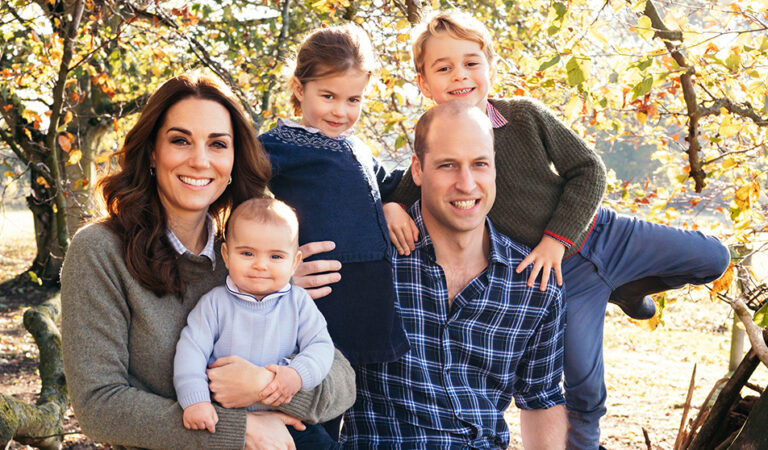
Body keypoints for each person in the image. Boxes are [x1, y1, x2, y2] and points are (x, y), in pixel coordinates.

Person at [383, 12, 731, 449]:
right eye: (444, 67)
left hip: (601, 234)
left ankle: (628, 288)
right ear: (423, 83)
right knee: (584, 387)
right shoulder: (435, 141)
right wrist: (391, 207)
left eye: (471, 63)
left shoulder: (524, 116)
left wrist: (556, 239)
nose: (460, 76)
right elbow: (408, 191)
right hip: (561, 278)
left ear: (491, 67)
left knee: (714, 259)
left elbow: (589, 169)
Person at [60, 72, 355, 450]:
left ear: (233, 160)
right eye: (180, 140)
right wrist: (241, 430)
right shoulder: (101, 252)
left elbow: (342, 383)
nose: (200, 161)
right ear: (152, 152)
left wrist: (265, 386)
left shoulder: (252, 255)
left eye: (217, 144)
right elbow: (99, 405)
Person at [343, 101, 568, 448]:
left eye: (479, 164)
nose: (466, 184)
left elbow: (541, 399)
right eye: (447, 165)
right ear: (418, 170)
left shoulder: (533, 284)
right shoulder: (369, 262)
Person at [258, 25, 410, 438]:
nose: (341, 111)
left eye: (353, 100)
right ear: (299, 87)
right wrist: (275, 262)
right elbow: (237, 194)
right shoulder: (280, 145)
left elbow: (389, 184)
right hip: (322, 305)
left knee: (351, 413)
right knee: (308, 414)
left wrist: (393, 204)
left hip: (367, 305)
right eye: (328, 96)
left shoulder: (356, 147)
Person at [174, 198, 338, 449]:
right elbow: (190, 352)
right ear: (226, 255)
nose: (260, 265)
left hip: (288, 420)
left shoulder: (298, 302)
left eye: (276, 256)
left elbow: (321, 346)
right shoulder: (214, 304)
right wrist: (196, 401)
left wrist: (297, 374)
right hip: (230, 418)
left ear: (294, 262)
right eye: (247, 253)